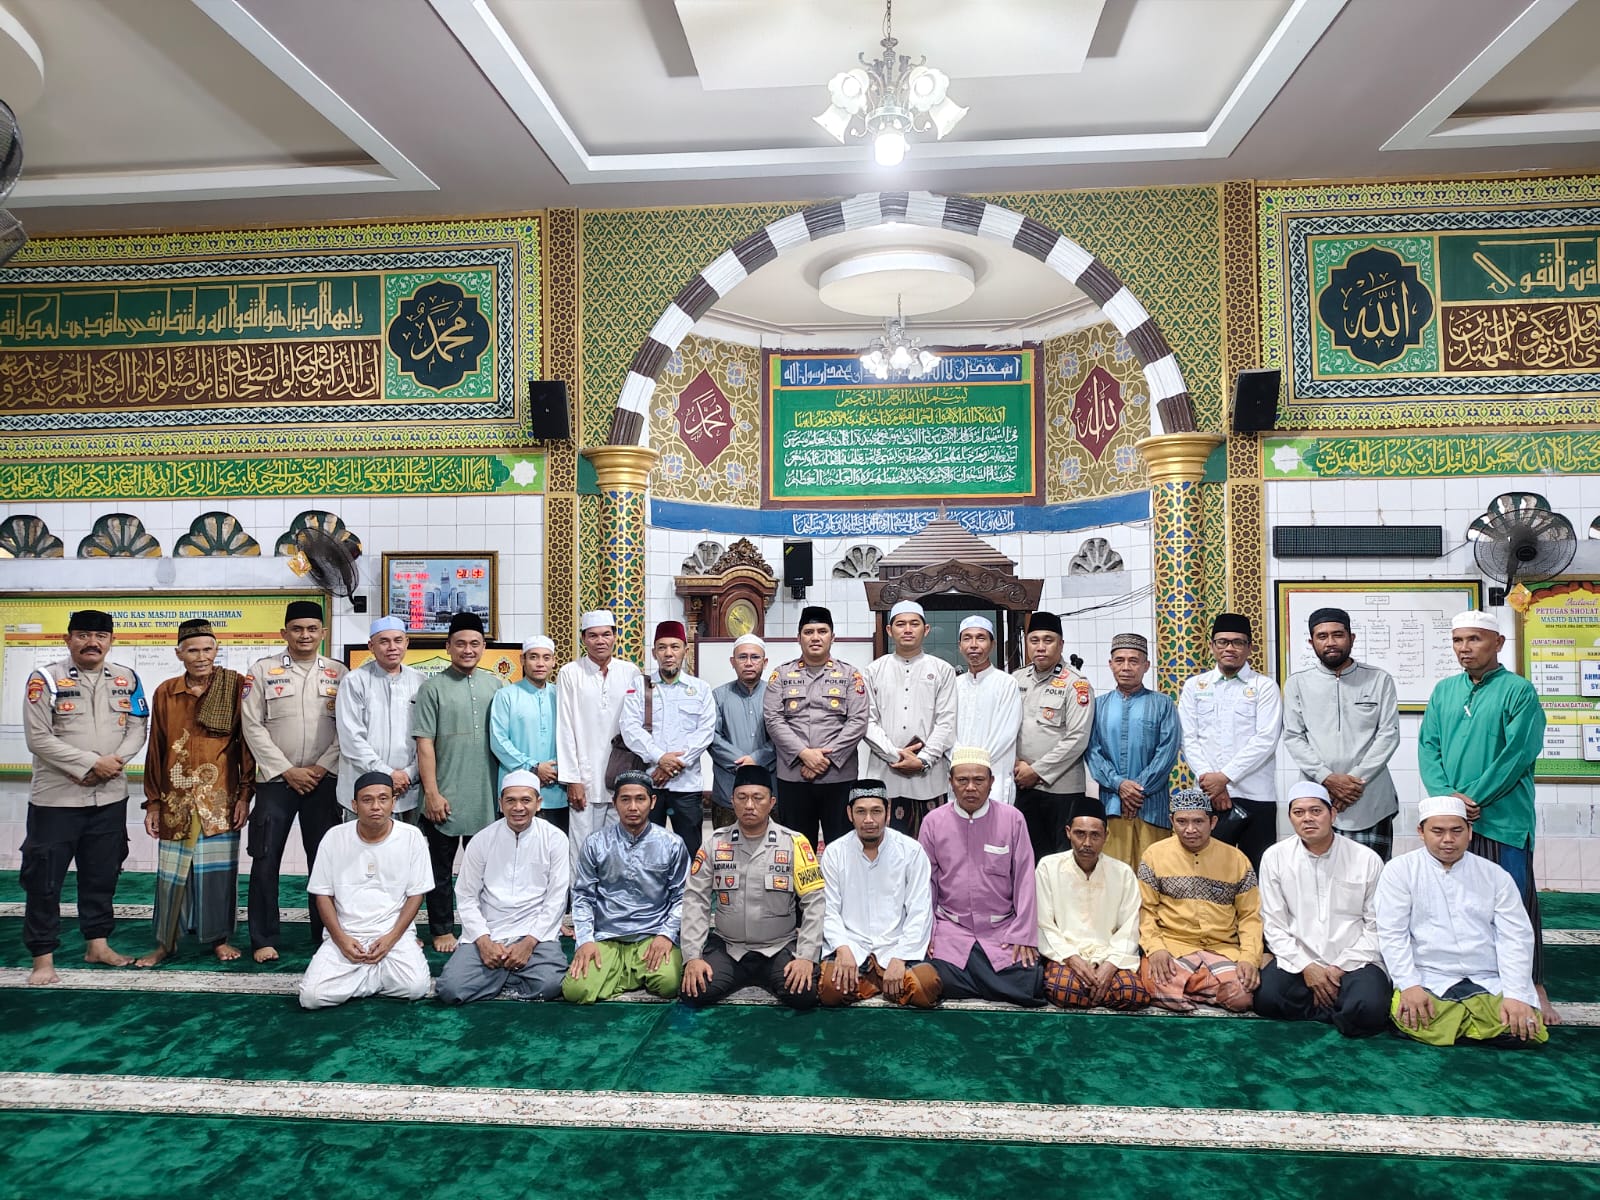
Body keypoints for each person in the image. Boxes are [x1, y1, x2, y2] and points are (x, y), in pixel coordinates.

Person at [1418, 610, 1554, 1024]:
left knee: (1515, 906)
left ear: (1498, 643)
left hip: (1502, 820)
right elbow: (1428, 747)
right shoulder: (1444, 691)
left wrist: (1471, 798)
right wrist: (1448, 799)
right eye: (1458, 640)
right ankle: (1475, 982)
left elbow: (1518, 754)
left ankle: (1532, 985)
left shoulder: (1518, 691)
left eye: (1474, 639)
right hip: (1453, 821)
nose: (1464, 648)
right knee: (1460, 905)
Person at [20, 608, 147, 985]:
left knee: (102, 875)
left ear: (111, 641)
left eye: (100, 636)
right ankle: (43, 959)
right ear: (68, 639)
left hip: (109, 799)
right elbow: (38, 739)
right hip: (56, 801)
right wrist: (92, 763)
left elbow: (138, 727)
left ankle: (98, 944)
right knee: (44, 881)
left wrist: (115, 761)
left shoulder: (127, 678)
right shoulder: (45, 678)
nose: (92, 642)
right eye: (83, 635)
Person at [1375, 796, 1546, 1047]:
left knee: (1525, 1025)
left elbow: (1515, 937)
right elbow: (1392, 934)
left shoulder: (1495, 875)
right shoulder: (1400, 871)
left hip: (1487, 976)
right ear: (1421, 832)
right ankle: (1476, 1027)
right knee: (1414, 1015)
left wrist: (1516, 995)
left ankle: (1464, 1025)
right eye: (1438, 831)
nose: (1448, 839)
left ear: (1470, 831)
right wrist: (1409, 985)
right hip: (1429, 975)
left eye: (1456, 831)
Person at [136, 619, 254, 967]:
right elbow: (156, 749)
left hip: (221, 798)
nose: (201, 657)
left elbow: (246, 744)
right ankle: (165, 943)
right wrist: (153, 803)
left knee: (218, 874)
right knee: (171, 876)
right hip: (176, 800)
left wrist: (245, 795)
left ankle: (218, 939)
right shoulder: (166, 692)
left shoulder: (235, 686)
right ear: (179, 654)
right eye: (193, 650)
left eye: (207, 649)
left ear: (216, 651)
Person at [242, 600, 346, 964]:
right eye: (297, 629)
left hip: (323, 780)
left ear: (323, 633)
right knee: (265, 858)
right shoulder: (262, 670)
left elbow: (346, 728)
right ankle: (263, 938)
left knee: (325, 861)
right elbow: (252, 725)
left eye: (312, 629)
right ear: (284, 632)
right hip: (276, 781)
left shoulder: (338, 672)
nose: (305, 635)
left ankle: (326, 934)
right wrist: (286, 769)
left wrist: (320, 767)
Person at [680, 764, 825, 1010]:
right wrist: (692, 957)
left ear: (772, 802)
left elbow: (815, 901)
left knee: (804, 994)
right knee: (693, 991)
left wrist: (806, 956)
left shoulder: (794, 843)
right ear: (732, 801)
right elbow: (695, 900)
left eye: (758, 798)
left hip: (779, 946)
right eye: (742, 797)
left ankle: (772, 975)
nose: (749, 805)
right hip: (729, 947)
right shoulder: (715, 844)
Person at [1254, 781, 1390, 1036]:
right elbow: (1273, 924)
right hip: (1298, 960)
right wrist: (1307, 967)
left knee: (1370, 1008)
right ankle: (1338, 1009)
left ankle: (1327, 1004)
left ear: (1333, 814)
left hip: (1354, 961)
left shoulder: (1365, 858)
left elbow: (1376, 926)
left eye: (1316, 811)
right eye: (1299, 812)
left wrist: (1338, 969)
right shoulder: (1275, 857)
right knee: (1267, 999)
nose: (1307, 818)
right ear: (1290, 818)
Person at [918, 747, 1042, 1006]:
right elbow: (925, 885)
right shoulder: (933, 822)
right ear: (951, 782)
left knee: (1030, 979)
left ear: (991, 782)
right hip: (951, 930)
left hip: (1001, 931)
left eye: (978, 780)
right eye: (962, 780)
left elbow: (1025, 881)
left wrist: (1023, 935)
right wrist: (927, 931)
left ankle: (971, 984)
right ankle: (992, 985)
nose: (970, 788)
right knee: (926, 976)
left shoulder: (1012, 819)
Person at [298, 771, 432, 1009]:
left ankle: (357, 979)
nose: (376, 806)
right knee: (311, 997)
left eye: (383, 799)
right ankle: (376, 975)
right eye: (367, 800)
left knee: (416, 988)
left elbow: (416, 896)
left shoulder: (411, 837)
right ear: (354, 805)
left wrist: (390, 939)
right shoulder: (334, 837)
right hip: (348, 935)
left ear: (393, 802)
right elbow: (322, 895)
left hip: (392, 934)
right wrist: (341, 939)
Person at [413, 612, 507, 953]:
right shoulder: (432, 688)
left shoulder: (495, 686)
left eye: (475, 644)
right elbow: (424, 744)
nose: (468, 650)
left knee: (487, 870)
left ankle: (487, 926)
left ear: (483, 647)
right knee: (439, 869)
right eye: (461, 644)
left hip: (485, 795)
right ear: (448, 646)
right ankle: (441, 929)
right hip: (445, 795)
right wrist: (432, 793)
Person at [436, 770, 570, 1004]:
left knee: (551, 985)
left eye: (526, 800)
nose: (518, 807)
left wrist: (528, 943)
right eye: (511, 800)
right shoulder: (482, 840)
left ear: (538, 803)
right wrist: (484, 942)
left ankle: (494, 975)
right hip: (490, 931)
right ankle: (513, 972)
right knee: (450, 989)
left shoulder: (555, 839)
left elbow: (556, 899)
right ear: (501, 804)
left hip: (535, 933)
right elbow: (466, 896)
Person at [1282, 606, 1401, 860]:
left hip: (1370, 798)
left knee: (1373, 876)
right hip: (1317, 799)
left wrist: (1354, 782)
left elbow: (1388, 735)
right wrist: (1327, 779)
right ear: (1311, 642)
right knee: (1318, 877)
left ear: (1351, 638)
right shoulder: (1297, 683)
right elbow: (1293, 736)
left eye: (1338, 635)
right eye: (1322, 636)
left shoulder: (1379, 679)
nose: (1330, 642)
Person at [562, 772, 689, 1003]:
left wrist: (667, 935)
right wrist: (585, 940)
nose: (633, 807)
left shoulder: (671, 844)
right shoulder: (596, 843)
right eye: (625, 799)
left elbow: (682, 897)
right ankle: (628, 972)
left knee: (669, 984)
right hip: (606, 935)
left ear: (652, 802)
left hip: (652, 933)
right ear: (615, 803)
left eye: (640, 799)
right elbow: (582, 896)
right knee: (575, 991)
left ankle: (616, 975)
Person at [817, 779, 941, 1009]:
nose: (869, 820)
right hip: (852, 946)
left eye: (876, 811)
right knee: (830, 989)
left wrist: (901, 957)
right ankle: (881, 986)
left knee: (926, 987)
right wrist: (842, 949)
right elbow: (828, 910)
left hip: (895, 946)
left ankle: (874, 984)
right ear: (849, 814)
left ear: (888, 813)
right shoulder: (835, 853)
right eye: (861, 812)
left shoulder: (911, 851)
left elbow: (920, 911)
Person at [1137, 788, 1262, 1013]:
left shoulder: (1237, 860)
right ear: (1171, 821)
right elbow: (1145, 910)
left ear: (1212, 822)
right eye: (1182, 822)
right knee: (1151, 982)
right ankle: (1208, 989)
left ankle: (1188, 989)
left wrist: (1249, 958)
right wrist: (1155, 949)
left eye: (1198, 821)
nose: (1190, 829)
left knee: (1241, 997)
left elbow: (1250, 916)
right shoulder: (1154, 856)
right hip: (1173, 946)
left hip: (1222, 949)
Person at [1177, 613, 1283, 872]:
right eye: (1223, 642)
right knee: (1209, 872)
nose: (1229, 648)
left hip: (1256, 795)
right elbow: (1188, 738)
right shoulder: (1194, 686)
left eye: (1237, 642)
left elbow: (1266, 739)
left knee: (1256, 871)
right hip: (1208, 797)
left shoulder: (1265, 687)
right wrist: (1212, 784)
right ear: (1212, 646)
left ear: (1249, 647)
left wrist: (1224, 778)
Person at [762, 606, 869, 849]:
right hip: (794, 776)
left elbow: (858, 721)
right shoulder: (781, 675)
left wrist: (825, 760)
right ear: (798, 638)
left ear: (833, 637)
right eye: (808, 632)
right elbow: (773, 719)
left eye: (822, 631)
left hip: (838, 777)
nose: (815, 637)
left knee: (842, 846)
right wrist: (804, 754)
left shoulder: (850, 675)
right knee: (796, 848)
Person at [1035, 795, 1148, 1009]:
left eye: (1095, 835)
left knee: (1131, 993)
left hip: (1111, 955)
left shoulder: (1122, 873)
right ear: (1068, 832)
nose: (1087, 843)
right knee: (1065, 990)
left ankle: (1092, 994)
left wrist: (1110, 965)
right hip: (1066, 956)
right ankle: (1094, 995)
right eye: (1080, 834)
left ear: (1106, 836)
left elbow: (1130, 926)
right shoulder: (1048, 867)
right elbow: (1044, 924)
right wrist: (1072, 959)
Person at [1083, 632, 1181, 870]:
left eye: (1133, 661)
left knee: (1154, 875)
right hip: (1112, 808)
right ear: (1110, 664)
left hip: (1152, 809)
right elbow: (1093, 752)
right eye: (1120, 660)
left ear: (1146, 665)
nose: (1126, 667)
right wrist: (1119, 785)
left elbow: (1167, 753)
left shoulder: (1163, 704)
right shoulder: (1098, 706)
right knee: (1114, 878)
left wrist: (1136, 790)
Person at [620, 620, 717, 857]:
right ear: (654, 653)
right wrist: (660, 757)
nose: (668, 653)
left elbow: (705, 731)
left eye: (675, 647)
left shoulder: (700, 688)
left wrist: (672, 765)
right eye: (662, 648)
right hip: (648, 784)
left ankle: (689, 884)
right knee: (646, 851)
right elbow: (629, 727)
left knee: (690, 850)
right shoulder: (640, 686)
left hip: (687, 785)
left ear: (685, 650)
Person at [556, 609, 643, 869]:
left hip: (621, 776)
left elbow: (637, 726)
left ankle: (616, 893)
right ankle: (582, 895)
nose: (600, 641)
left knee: (620, 848)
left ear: (615, 637)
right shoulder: (570, 672)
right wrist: (572, 779)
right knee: (583, 849)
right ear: (583, 639)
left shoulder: (630, 672)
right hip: (585, 779)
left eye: (606, 634)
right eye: (593, 635)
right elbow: (565, 727)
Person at [864, 600, 958, 836]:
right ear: (889, 630)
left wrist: (923, 760)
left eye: (914, 624)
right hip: (885, 775)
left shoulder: (942, 670)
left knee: (931, 846)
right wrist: (895, 755)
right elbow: (867, 721)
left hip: (929, 778)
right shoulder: (873, 671)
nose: (907, 629)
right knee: (885, 847)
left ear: (925, 630)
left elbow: (946, 722)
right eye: (901, 624)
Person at [1012, 610, 1094, 863]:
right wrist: (1016, 763)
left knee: (1061, 861)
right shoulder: (1016, 679)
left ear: (1061, 644)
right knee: (1026, 858)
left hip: (1061, 789)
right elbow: (1006, 729)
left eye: (1048, 640)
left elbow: (1077, 738)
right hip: (1022, 785)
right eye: (1034, 640)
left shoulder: (1076, 683)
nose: (1040, 647)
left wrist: (1036, 771)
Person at [335, 615, 425, 823]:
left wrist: (409, 773)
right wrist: (387, 774)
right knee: (362, 844)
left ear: (406, 642)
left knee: (408, 842)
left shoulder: (421, 681)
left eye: (398, 640)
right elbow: (351, 739)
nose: (392, 647)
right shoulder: (354, 681)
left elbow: (427, 736)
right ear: (371, 646)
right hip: (364, 787)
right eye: (384, 641)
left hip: (409, 789)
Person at [488, 635, 567, 833]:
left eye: (546, 658)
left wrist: (557, 769)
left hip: (557, 792)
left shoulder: (562, 695)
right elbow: (498, 741)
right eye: (533, 657)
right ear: (522, 660)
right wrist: (533, 767)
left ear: (554, 661)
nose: (540, 663)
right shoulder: (505, 695)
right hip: (517, 792)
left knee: (554, 846)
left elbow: (572, 737)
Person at [709, 634, 777, 830]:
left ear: (765, 662)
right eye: (742, 657)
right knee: (726, 847)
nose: (748, 663)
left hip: (770, 790)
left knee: (772, 847)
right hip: (728, 790)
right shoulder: (718, 696)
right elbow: (711, 738)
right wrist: (741, 761)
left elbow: (783, 736)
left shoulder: (776, 695)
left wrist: (757, 758)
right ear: (733, 662)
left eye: (755, 657)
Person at [952, 616, 1021, 803]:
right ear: (960, 646)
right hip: (958, 775)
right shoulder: (953, 685)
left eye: (981, 638)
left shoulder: (1007, 683)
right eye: (967, 638)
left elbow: (1006, 734)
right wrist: (960, 762)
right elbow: (947, 732)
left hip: (994, 775)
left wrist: (975, 766)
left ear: (993, 645)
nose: (973, 645)